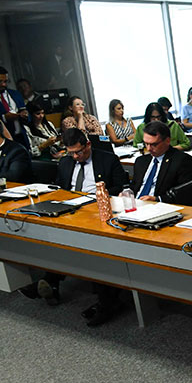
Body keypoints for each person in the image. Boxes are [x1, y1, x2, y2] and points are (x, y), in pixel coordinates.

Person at [45, 128, 130, 324]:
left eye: (79, 152)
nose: (75, 157)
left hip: (98, 211)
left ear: (88, 145)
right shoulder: (66, 162)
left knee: (93, 249)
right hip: (70, 212)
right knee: (55, 240)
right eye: (71, 153)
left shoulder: (108, 159)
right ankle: (51, 280)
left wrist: (95, 199)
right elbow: (61, 188)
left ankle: (106, 300)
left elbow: (120, 187)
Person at [131, 121, 192, 202]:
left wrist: (158, 199)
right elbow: (135, 186)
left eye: (154, 144)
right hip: (136, 204)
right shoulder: (141, 161)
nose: (148, 149)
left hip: (160, 206)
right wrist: (127, 192)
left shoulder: (182, 161)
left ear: (167, 141)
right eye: (146, 144)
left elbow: (185, 193)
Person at [0, 67, 30, 149]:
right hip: (5, 141)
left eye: (5, 81)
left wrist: (25, 115)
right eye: (0, 81)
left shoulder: (15, 94)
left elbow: (28, 116)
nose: (4, 84)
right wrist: (5, 118)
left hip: (21, 137)